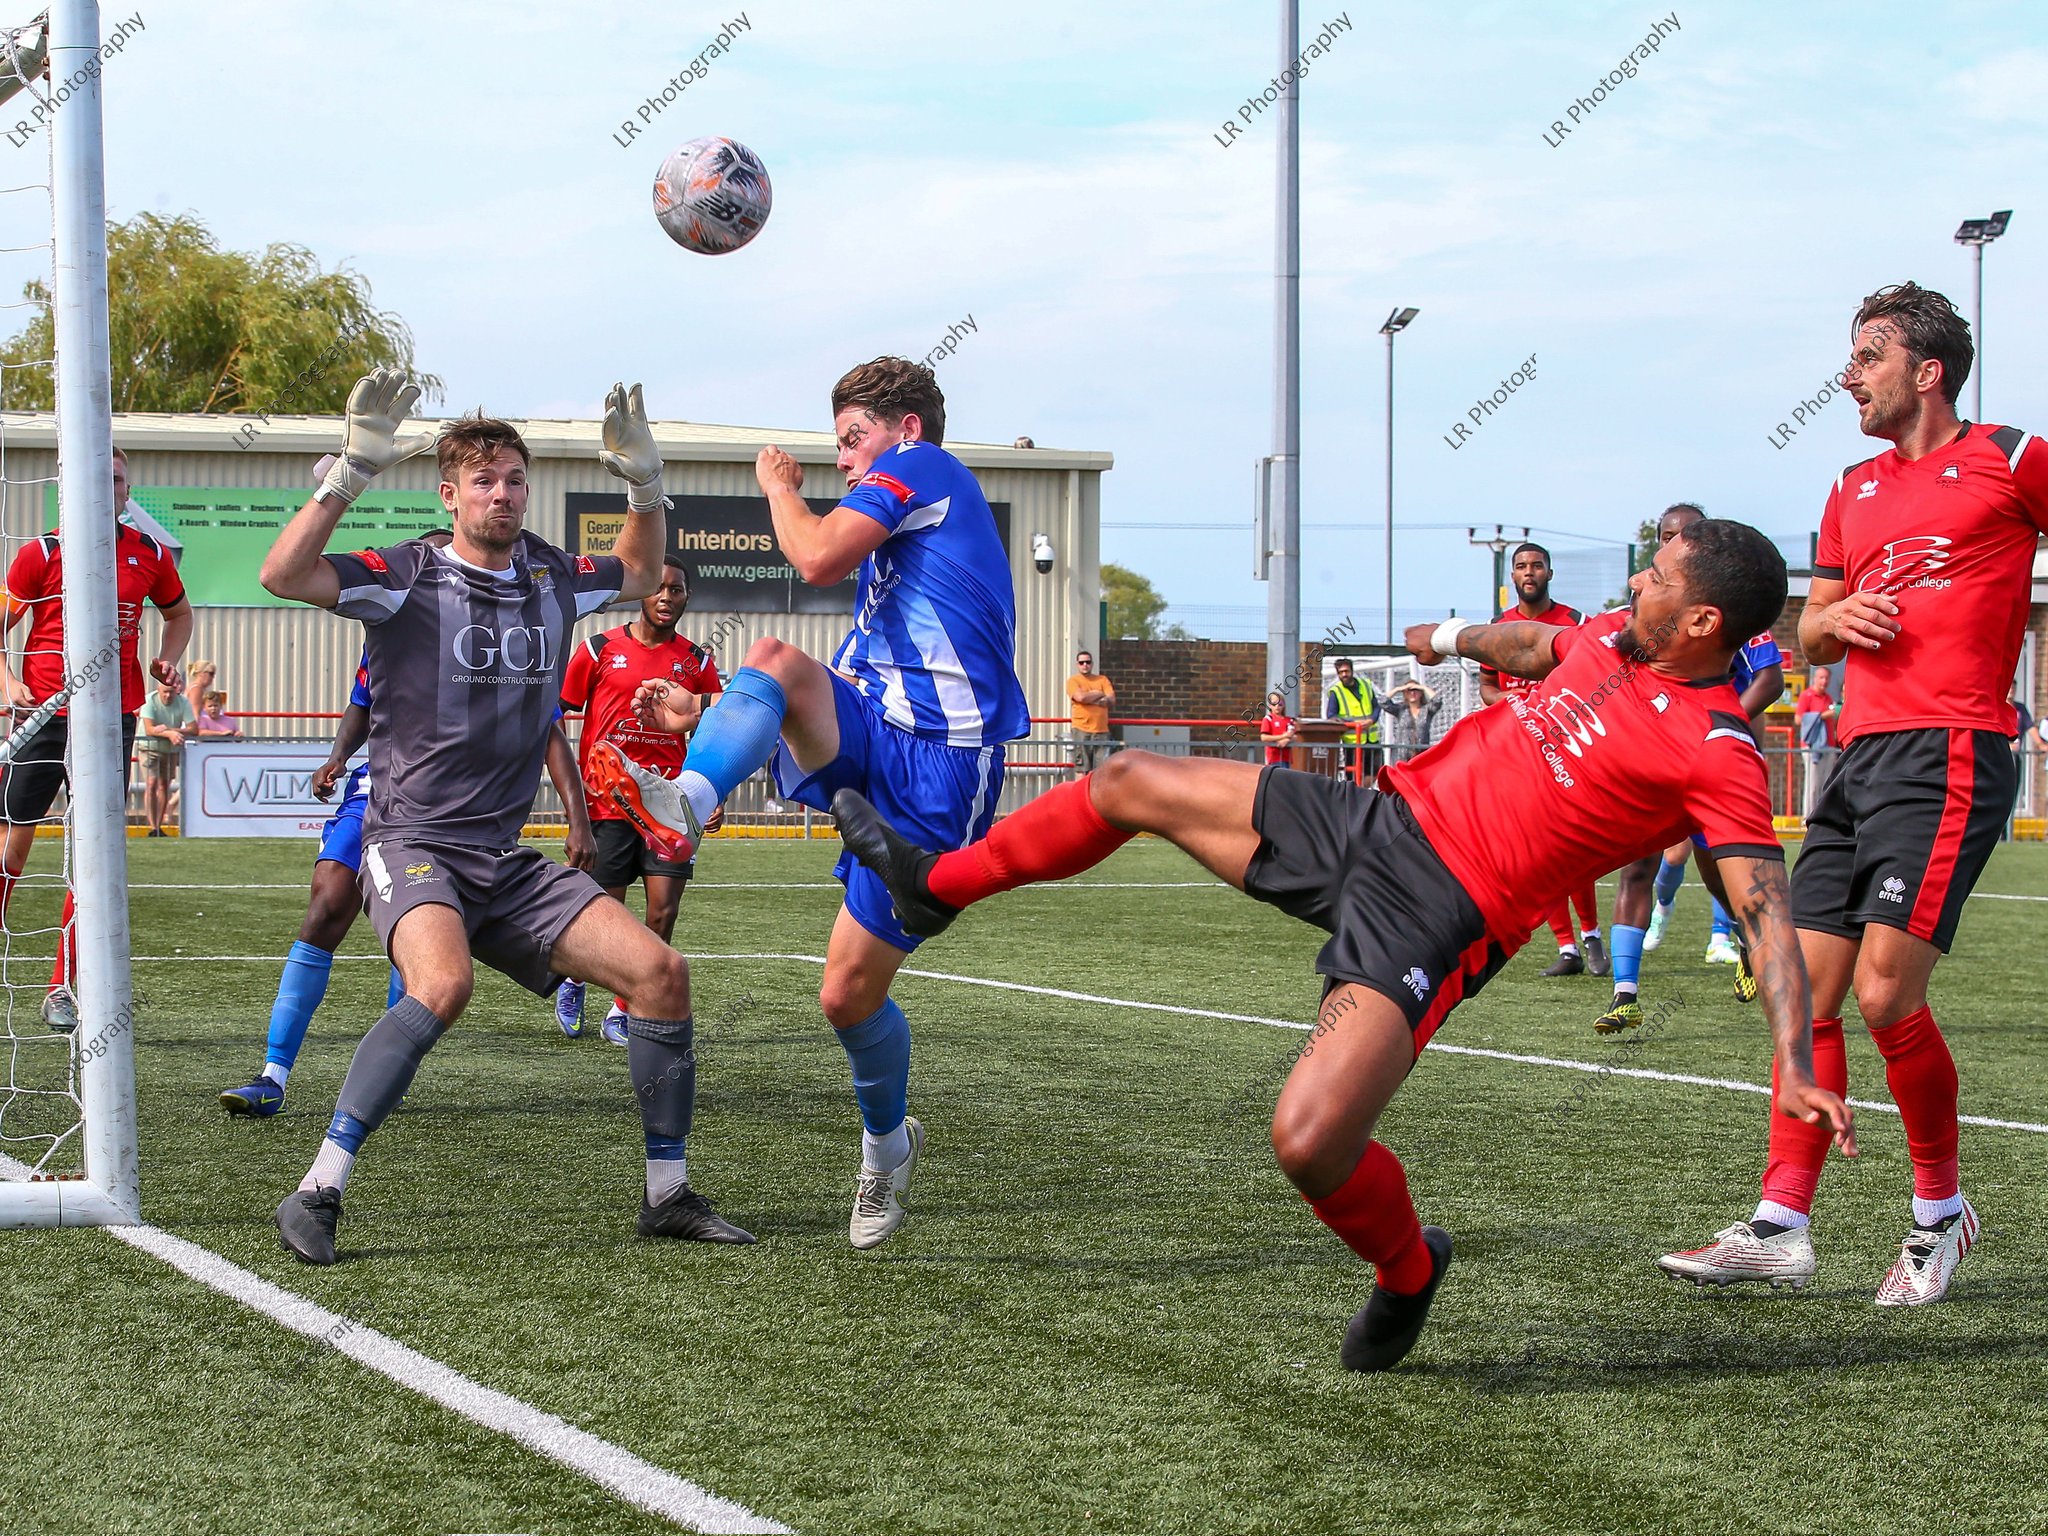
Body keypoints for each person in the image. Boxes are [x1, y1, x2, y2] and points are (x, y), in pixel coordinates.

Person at [832, 519, 1853, 1371]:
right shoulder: (1603, 641)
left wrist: (1800, 1059)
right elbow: (1529, 649)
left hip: (1440, 914)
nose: (1637, 580)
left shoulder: (1715, 750)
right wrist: (1449, 633)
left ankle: (1409, 1271)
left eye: (1657, 578)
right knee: (1127, 780)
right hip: (1375, 822)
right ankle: (933, 892)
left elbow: (1764, 908)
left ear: (1701, 621)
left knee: (1308, 1141)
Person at [262, 370, 750, 1263]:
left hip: (503, 857)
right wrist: (350, 471)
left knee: (661, 975)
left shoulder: (553, 574)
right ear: (448, 494)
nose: (502, 494)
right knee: (442, 987)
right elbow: (283, 572)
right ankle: (317, 1191)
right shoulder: (404, 573)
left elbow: (642, 568)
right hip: (412, 842)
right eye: (483, 480)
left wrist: (644, 482)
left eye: (515, 480)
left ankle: (667, 1194)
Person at [1662, 281, 2048, 1305]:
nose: (1846, 376)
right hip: (1857, 760)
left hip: (1953, 751)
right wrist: (1840, 624)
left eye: (1867, 355)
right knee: (1806, 993)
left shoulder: (2013, 458)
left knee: (1884, 995)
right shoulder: (1849, 485)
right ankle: (1779, 1225)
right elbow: (1811, 627)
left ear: (1924, 370)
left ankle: (1938, 1218)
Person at [600, 356, 1028, 1250]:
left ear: (906, 428)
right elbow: (813, 670)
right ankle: (690, 794)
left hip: (946, 767)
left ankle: (886, 1146)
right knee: (777, 662)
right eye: (837, 446)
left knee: (846, 997)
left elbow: (815, 554)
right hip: (878, 727)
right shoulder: (901, 517)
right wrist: (707, 720)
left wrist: (774, 485)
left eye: (853, 439)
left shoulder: (925, 468)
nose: (843, 461)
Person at [219, 644, 590, 1116]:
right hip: (374, 794)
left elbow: (547, 730)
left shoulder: (506, 635)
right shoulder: (394, 624)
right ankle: (272, 1075)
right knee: (326, 906)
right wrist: (338, 756)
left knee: (417, 927)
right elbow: (362, 701)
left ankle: (392, 1076)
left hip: (451, 813)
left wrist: (578, 819)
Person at [0, 445, 192, 1032]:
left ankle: (61, 987)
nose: (106, 486)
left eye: (115, 478)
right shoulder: (41, 553)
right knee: (13, 848)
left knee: (94, 855)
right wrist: (8, 681)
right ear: (67, 487)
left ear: (126, 491)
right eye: (93, 476)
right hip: (42, 716)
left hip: (111, 720)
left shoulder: (148, 554)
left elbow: (180, 615)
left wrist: (166, 659)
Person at [1596, 503, 1783, 1032]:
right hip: (1650, 763)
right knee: (1639, 866)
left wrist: (1716, 726)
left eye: (1686, 534)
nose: (1674, 541)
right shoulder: (1642, 607)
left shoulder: (1725, 612)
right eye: (1667, 536)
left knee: (1722, 873)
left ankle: (1743, 941)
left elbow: (1770, 681)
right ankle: (1624, 992)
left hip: (1707, 765)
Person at [556, 554, 722, 1044]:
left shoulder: (698, 661)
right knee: (608, 914)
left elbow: (713, 727)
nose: (668, 597)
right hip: (606, 801)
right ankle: (575, 977)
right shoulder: (597, 648)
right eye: (660, 587)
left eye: (678, 590)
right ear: (642, 592)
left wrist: (714, 788)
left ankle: (623, 1009)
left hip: (671, 802)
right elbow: (554, 716)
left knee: (663, 911)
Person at [1478, 544, 1603, 978]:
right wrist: (1511, 701)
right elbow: (1488, 689)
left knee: (1574, 848)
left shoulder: (1575, 624)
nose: (1528, 572)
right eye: (1520, 566)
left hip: (1569, 749)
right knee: (1539, 851)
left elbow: (1592, 679)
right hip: (1521, 751)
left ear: (1550, 571)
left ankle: (1591, 936)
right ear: (1511, 575)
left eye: (1536, 565)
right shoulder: (1498, 626)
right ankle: (1568, 948)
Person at [136, 670, 195, 836]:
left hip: (169, 749)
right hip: (149, 747)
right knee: (151, 783)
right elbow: (149, 729)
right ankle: (152, 826)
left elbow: (193, 728)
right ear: (158, 690)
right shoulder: (149, 700)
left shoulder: (183, 702)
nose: (168, 696)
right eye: (165, 692)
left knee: (164, 786)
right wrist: (170, 734)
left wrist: (168, 730)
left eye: (171, 692)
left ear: (176, 690)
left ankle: (158, 827)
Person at [1321, 658, 1380, 781]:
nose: (1344, 675)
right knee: (1353, 776)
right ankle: (1356, 795)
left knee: (1375, 772)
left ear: (1352, 671)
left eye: (1346, 671)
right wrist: (1350, 723)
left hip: (1371, 738)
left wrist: (1371, 720)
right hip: (1352, 741)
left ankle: (1361, 793)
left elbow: (1376, 707)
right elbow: (1332, 715)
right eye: (1341, 672)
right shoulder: (1336, 692)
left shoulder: (1366, 685)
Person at [1793, 664, 1839, 821]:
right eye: (1821, 678)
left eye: (1827, 678)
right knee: (1812, 784)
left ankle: (1822, 815)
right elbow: (1799, 719)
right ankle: (1808, 816)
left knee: (1826, 782)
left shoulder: (1828, 698)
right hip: (1812, 746)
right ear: (1815, 678)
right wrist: (1822, 715)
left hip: (1828, 745)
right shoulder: (1807, 696)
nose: (1824, 681)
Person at [1066, 651, 1117, 773]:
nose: (1085, 665)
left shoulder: (1102, 680)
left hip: (1101, 731)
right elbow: (1080, 698)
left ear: (1092, 664)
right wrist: (1099, 693)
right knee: (1082, 769)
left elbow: (1111, 700)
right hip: (1081, 730)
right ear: (1077, 664)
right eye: (1082, 662)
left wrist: (1089, 698)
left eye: (1088, 662)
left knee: (1102, 770)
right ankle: (1081, 793)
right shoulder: (1073, 681)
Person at [1379, 679, 1440, 764]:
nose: (1412, 693)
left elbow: (1437, 700)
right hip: (1401, 754)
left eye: (1415, 690)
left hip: (1421, 753)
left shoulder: (1427, 710)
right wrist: (1398, 689)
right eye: (1409, 691)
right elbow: (1383, 701)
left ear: (1421, 693)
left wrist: (1423, 687)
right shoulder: (1401, 709)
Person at [1258, 691, 1296, 765]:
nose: (1277, 707)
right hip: (1273, 757)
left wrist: (1287, 740)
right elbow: (1264, 737)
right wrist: (1283, 736)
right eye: (1274, 704)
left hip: (1286, 757)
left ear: (1284, 705)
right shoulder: (1268, 718)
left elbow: (1294, 736)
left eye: (1280, 704)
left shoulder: (1289, 720)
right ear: (1270, 705)